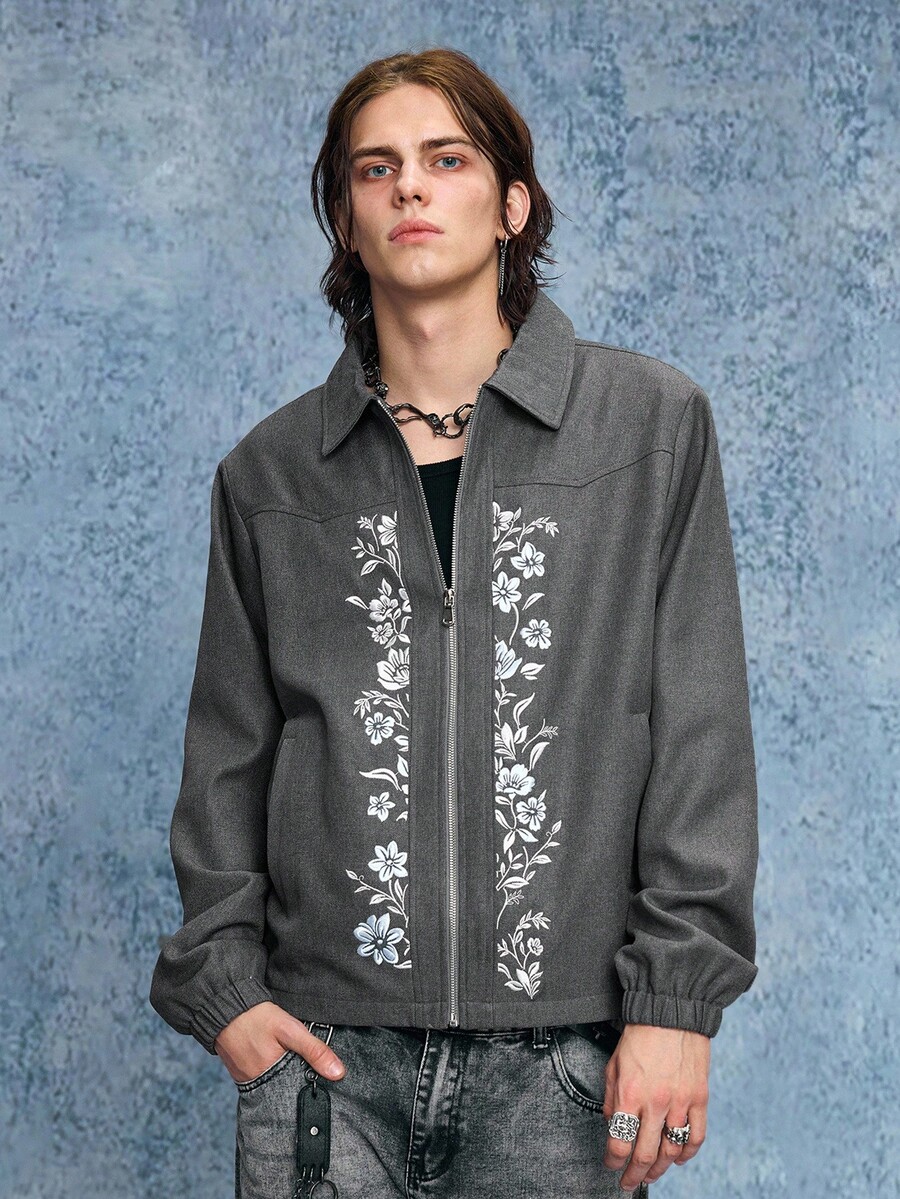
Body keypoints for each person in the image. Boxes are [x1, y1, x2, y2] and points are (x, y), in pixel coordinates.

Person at [150, 47, 759, 1199]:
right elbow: (227, 757)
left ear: (512, 203)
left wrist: (676, 1003)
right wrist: (227, 998)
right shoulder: (270, 473)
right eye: (375, 169)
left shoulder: (648, 428)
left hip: (564, 1067)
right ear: (346, 218)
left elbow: (701, 731)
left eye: (447, 159)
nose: (411, 188)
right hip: (326, 1067)